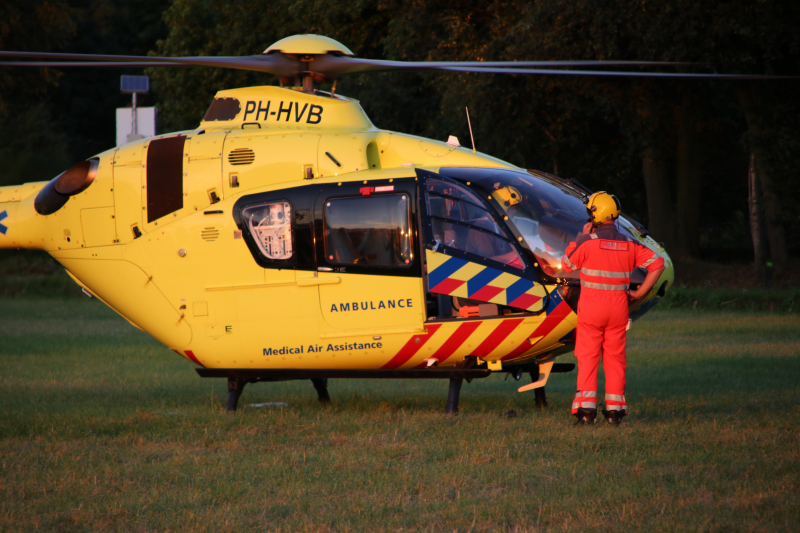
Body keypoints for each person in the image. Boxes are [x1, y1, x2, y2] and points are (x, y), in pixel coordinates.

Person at [560, 192, 665, 425]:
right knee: (615, 359)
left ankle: (586, 413)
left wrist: (580, 238)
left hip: (591, 310)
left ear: (597, 214)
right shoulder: (629, 244)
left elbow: (567, 265)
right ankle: (614, 412)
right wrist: (639, 293)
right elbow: (658, 264)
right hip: (618, 310)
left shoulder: (588, 242)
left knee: (588, 357)